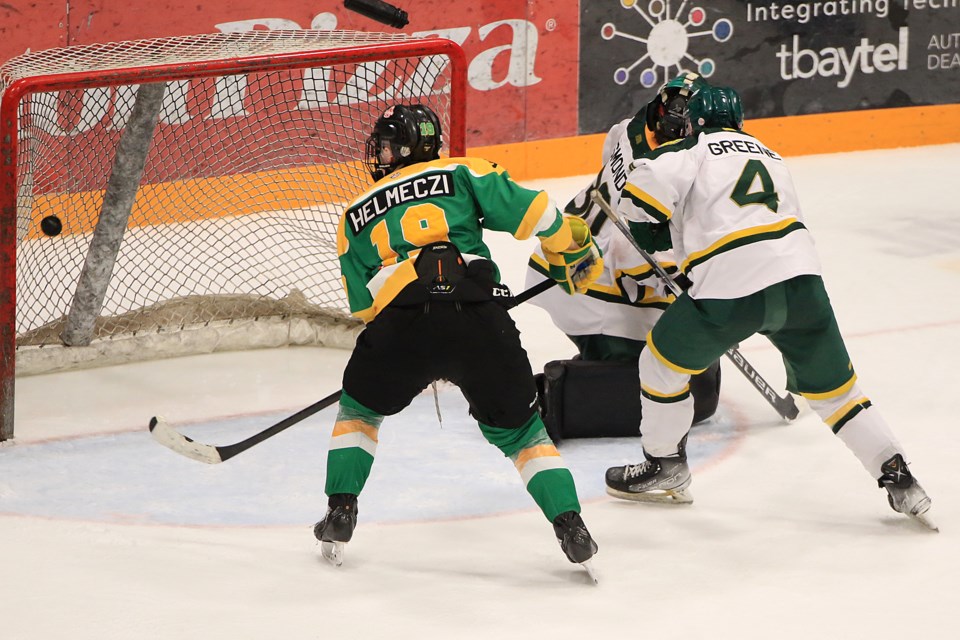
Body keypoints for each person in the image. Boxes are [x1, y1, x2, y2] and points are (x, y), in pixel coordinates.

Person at [603, 85, 937, 530]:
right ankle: (898, 476)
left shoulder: (692, 149)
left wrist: (640, 199)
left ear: (694, 121)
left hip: (728, 287)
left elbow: (639, 203)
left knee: (660, 365)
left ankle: (665, 466)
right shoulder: (772, 156)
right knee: (839, 395)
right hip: (802, 283)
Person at [314, 103, 605, 572]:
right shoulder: (464, 171)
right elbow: (538, 214)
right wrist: (566, 244)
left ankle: (340, 509)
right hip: (478, 317)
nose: (381, 155)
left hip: (401, 324)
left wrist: (412, 346)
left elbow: (366, 309)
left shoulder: (353, 215)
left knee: (360, 412)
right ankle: (571, 524)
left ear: (406, 148)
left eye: (387, 145)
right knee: (524, 434)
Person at [524, 72, 721, 441]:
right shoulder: (659, 172)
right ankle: (560, 395)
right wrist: (689, 289)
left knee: (683, 345)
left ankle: (600, 357)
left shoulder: (629, 128)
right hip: (585, 278)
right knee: (666, 353)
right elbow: (630, 262)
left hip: (561, 262)